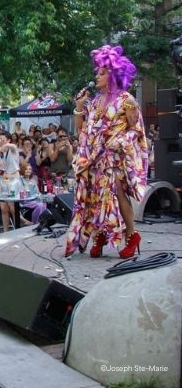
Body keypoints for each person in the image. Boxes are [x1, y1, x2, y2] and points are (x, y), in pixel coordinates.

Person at [65, 45, 148, 259]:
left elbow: (136, 131)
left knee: (118, 195)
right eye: (97, 72)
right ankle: (100, 234)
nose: (97, 77)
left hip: (114, 159)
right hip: (95, 159)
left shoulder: (127, 100)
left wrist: (119, 141)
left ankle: (131, 236)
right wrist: (79, 107)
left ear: (113, 75)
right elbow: (83, 129)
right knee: (95, 197)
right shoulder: (95, 102)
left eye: (102, 73)